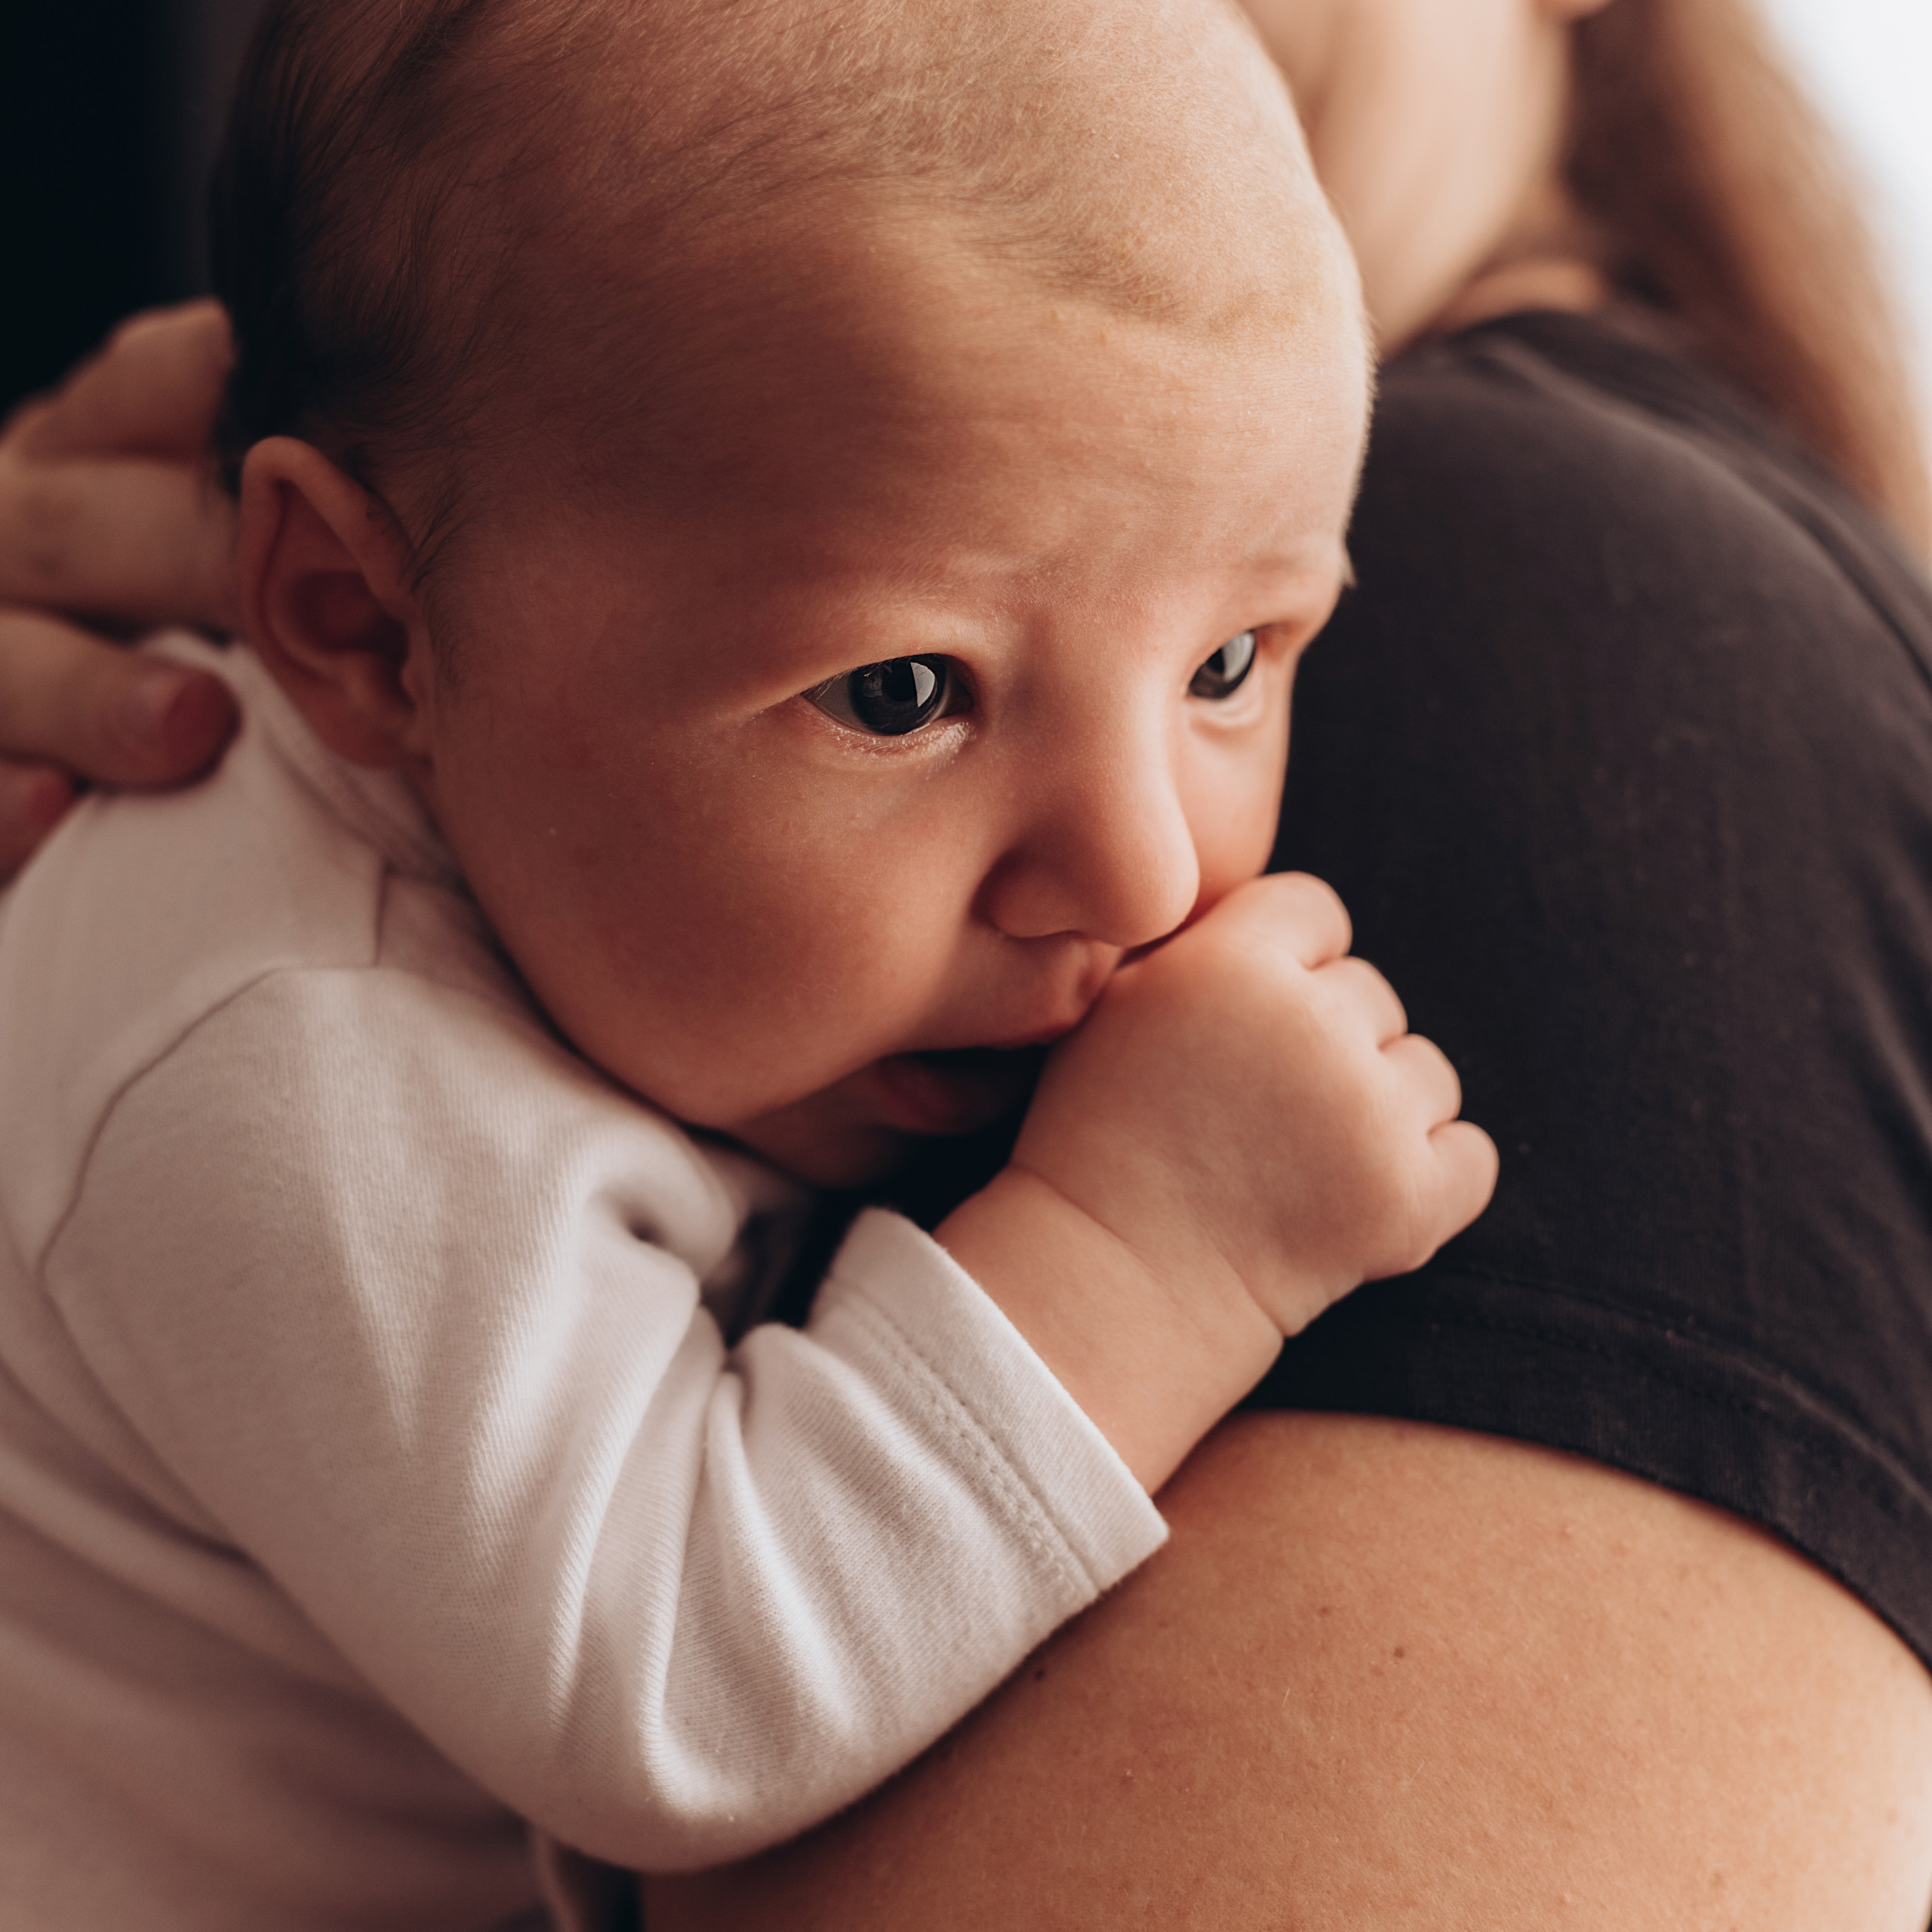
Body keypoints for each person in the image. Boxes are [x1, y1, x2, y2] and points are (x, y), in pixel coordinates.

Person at [5, 0, 1932, 1923]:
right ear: (351, 622)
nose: (1144, 868)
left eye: (1233, 668)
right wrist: (1134, 1248)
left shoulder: (1555, 584)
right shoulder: (291, 1038)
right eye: (904, 691)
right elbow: (667, 1680)